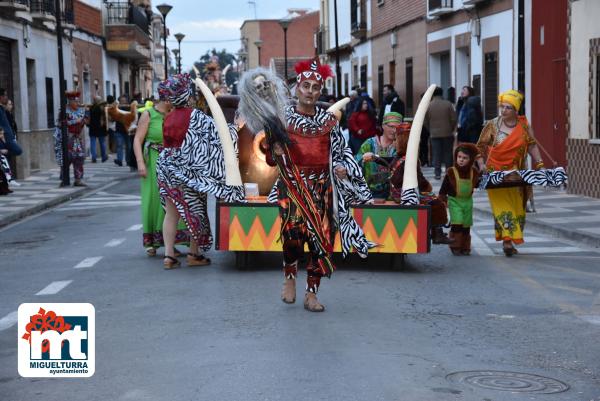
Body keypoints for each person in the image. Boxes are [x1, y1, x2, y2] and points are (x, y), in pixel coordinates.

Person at [238, 62, 374, 312]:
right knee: (292, 239)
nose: (310, 91)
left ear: (320, 92)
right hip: (292, 187)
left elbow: (342, 152)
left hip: (322, 188)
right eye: (306, 86)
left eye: (315, 87)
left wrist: (342, 168)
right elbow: (270, 157)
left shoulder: (329, 122)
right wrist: (274, 149)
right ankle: (290, 277)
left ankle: (312, 293)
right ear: (297, 89)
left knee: (321, 241)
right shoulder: (282, 118)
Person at [156, 73, 244, 270]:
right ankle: (194, 254)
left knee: (171, 214)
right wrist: (236, 127)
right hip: (188, 173)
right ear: (187, 95)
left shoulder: (168, 117)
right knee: (195, 211)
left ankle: (169, 256)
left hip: (166, 168)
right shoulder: (194, 116)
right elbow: (218, 134)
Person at [475, 90, 545, 257]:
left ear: (516, 110)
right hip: (495, 175)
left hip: (518, 176)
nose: (503, 110)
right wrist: (481, 164)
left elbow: (532, 145)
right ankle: (507, 241)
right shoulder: (492, 125)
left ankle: (510, 239)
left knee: (518, 209)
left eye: (508, 107)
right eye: (502, 106)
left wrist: (540, 164)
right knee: (503, 208)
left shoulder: (524, 126)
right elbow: (479, 147)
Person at [133, 89, 189, 256]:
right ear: (166, 99)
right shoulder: (148, 114)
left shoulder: (174, 114)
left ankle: (171, 244)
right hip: (153, 161)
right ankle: (152, 243)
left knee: (172, 201)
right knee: (155, 201)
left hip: (172, 161)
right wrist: (140, 163)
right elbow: (137, 140)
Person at [389, 122, 452, 244]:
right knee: (436, 202)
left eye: (396, 140)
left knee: (431, 198)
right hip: (405, 195)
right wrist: (427, 187)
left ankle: (435, 231)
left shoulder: (399, 158)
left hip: (397, 192)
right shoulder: (409, 159)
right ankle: (437, 233)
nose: (394, 143)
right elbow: (418, 179)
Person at [439, 143, 480, 255]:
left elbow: (478, 184)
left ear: (471, 160)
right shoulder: (451, 172)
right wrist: (442, 200)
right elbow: (443, 189)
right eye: (459, 157)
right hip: (454, 201)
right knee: (457, 223)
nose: (461, 160)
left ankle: (465, 246)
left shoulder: (474, 172)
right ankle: (455, 245)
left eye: (465, 158)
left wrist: (485, 176)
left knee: (466, 225)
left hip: (468, 202)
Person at [355, 111, 400, 199]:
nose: (394, 130)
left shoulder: (400, 147)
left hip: (394, 196)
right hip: (370, 194)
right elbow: (356, 163)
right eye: (391, 126)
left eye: (397, 127)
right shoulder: (369, 144)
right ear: (383, 126)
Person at [425, 86, 457, 179]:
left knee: (436, 153)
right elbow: (454, 119)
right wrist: (451, 129)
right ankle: (448, 172)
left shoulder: (429, 105)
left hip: (434, 134)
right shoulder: (448, 104)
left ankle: (437, 173)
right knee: (448, 153)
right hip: (447, 133)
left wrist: (430, 129)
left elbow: (425, 121)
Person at [64, 91, 87, 186]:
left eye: (78, 102)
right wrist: (75, 121)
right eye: (75, 102)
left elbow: (84, 122)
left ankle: (78, 179)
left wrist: (83, 120)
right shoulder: (64, 111)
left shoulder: (80, 111)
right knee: (67, 158)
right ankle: (64, 178)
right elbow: (62, 124)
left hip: (77, 138)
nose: (77, 103)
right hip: (68, 138)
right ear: (70, 102)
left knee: (79, 157)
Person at [0, 89, 22, 159]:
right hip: (4, 137)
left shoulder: (2, 109)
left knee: (7, 161)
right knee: (18, 150)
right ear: (1, 97)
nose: (7, 97)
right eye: (5, 95)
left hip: (9, 137)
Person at [88, 96, 108, 163]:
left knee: (93, 143)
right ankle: (104, 156)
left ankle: (94, 157)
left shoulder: (91, 107)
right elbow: (105, 117)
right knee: (102, 142)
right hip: (100, 127)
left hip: (92, 127)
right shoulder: (102, 108)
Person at [0, 128, 13, 195]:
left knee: (5, 173)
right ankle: (3, 189)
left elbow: (6, 146)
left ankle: (6, 188)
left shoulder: (2, 140)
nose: (2, 135)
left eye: (2, 134)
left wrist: (3, 139)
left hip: (3, 159)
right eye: (0, 134)